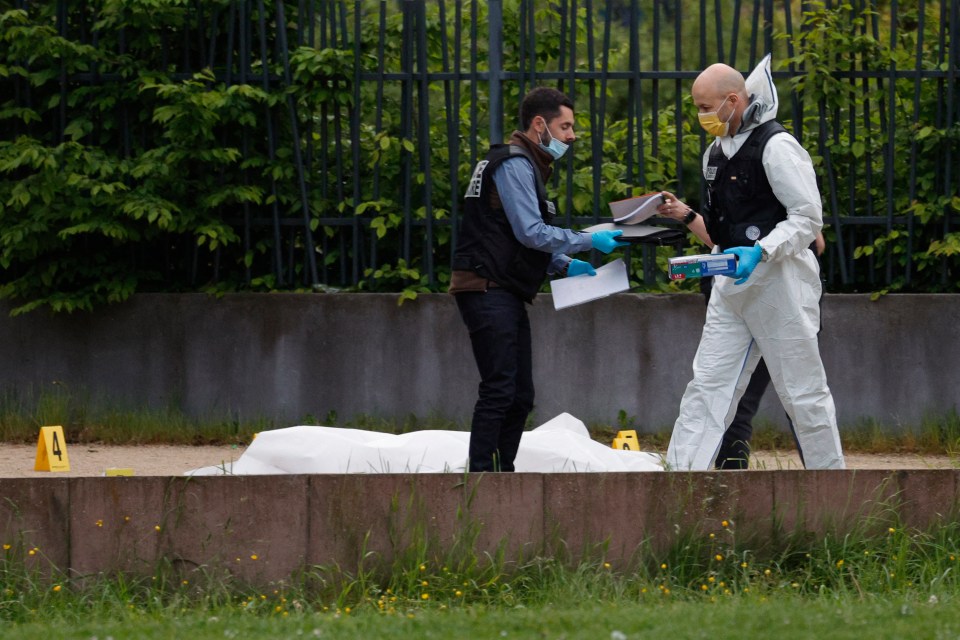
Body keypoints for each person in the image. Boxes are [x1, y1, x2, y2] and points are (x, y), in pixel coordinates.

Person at [657, 55, 845, 470]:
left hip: (781, 283)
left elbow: (807, 217)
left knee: (803, 392)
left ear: (732, 101)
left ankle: (833, 489)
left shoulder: (777, 146)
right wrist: (711, 258)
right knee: (707, 386)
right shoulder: (716, 153)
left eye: (706, 108)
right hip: (731, 285)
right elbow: (724, 227)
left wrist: (762, 250)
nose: (702, 116)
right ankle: (678, 483)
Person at [449, 86, 628, 473]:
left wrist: (563, 265)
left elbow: (509, 237)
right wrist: (587, 241)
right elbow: (530, 231)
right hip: (486, 287)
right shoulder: (515, 164)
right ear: (538, 124)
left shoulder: (522, 164)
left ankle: (502, 474)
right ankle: (482, 479)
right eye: (565, 127)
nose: (571, 136)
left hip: (501, 288)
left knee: (519, 394)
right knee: (500, 388)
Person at [661, 196, 826, 469]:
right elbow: (721, 243)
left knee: (782, 397)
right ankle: (733, 481)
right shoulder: (733, 187)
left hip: (775, 302)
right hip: (741, 301)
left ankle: (734, 484)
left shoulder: (777, 189)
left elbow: (814, 242)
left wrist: (688, 216)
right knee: (768, 398)